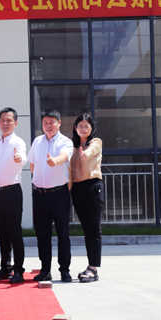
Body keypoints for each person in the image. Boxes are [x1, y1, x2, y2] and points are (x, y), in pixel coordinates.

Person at [28, 108, 74, 283]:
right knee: (42, 235)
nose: (48, 125)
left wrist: (55, 161)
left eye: (52, 122)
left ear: (59, 123)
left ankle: (64, 270)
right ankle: (45, 269)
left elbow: (64, 156)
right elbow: (32, 164)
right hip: (40, 194)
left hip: (59, 194)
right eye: (45, 122)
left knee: (63, 234)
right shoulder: (37, 141)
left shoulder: (65, 142)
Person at [0, 107, 28, 284]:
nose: (5, 123)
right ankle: (5, 268)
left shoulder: (18, 142)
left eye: (9, 120)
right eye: (2, 120)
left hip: (12, 192)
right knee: (2, 233)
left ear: (15, 123)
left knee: (14, 233)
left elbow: (23, 157)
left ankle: (18, 270)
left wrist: (20, 159)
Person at [69, 113, 103, 283]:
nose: (83, 129)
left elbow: (92, 151)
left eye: (86, 126)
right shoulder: (72, 146)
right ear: (75, 128)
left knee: (94, 229)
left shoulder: (95, 142)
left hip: (92, 186)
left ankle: (93, 268)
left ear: (91, 128)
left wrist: (86, 154)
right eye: (80, 126)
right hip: (76, 189)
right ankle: (90, 266)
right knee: (86, 230)